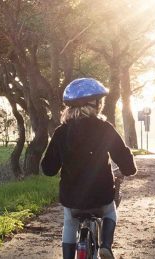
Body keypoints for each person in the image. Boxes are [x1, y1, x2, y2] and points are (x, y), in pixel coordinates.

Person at [42, 78, 137, 259]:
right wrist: (128, 168)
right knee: (110, 212)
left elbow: (48, 169)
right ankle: (106, 246)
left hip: (72, 198)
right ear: (95, 104)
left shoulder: (61, 132)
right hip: (101, 196)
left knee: (69, 222)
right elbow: (124, 159)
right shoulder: (104, 129)